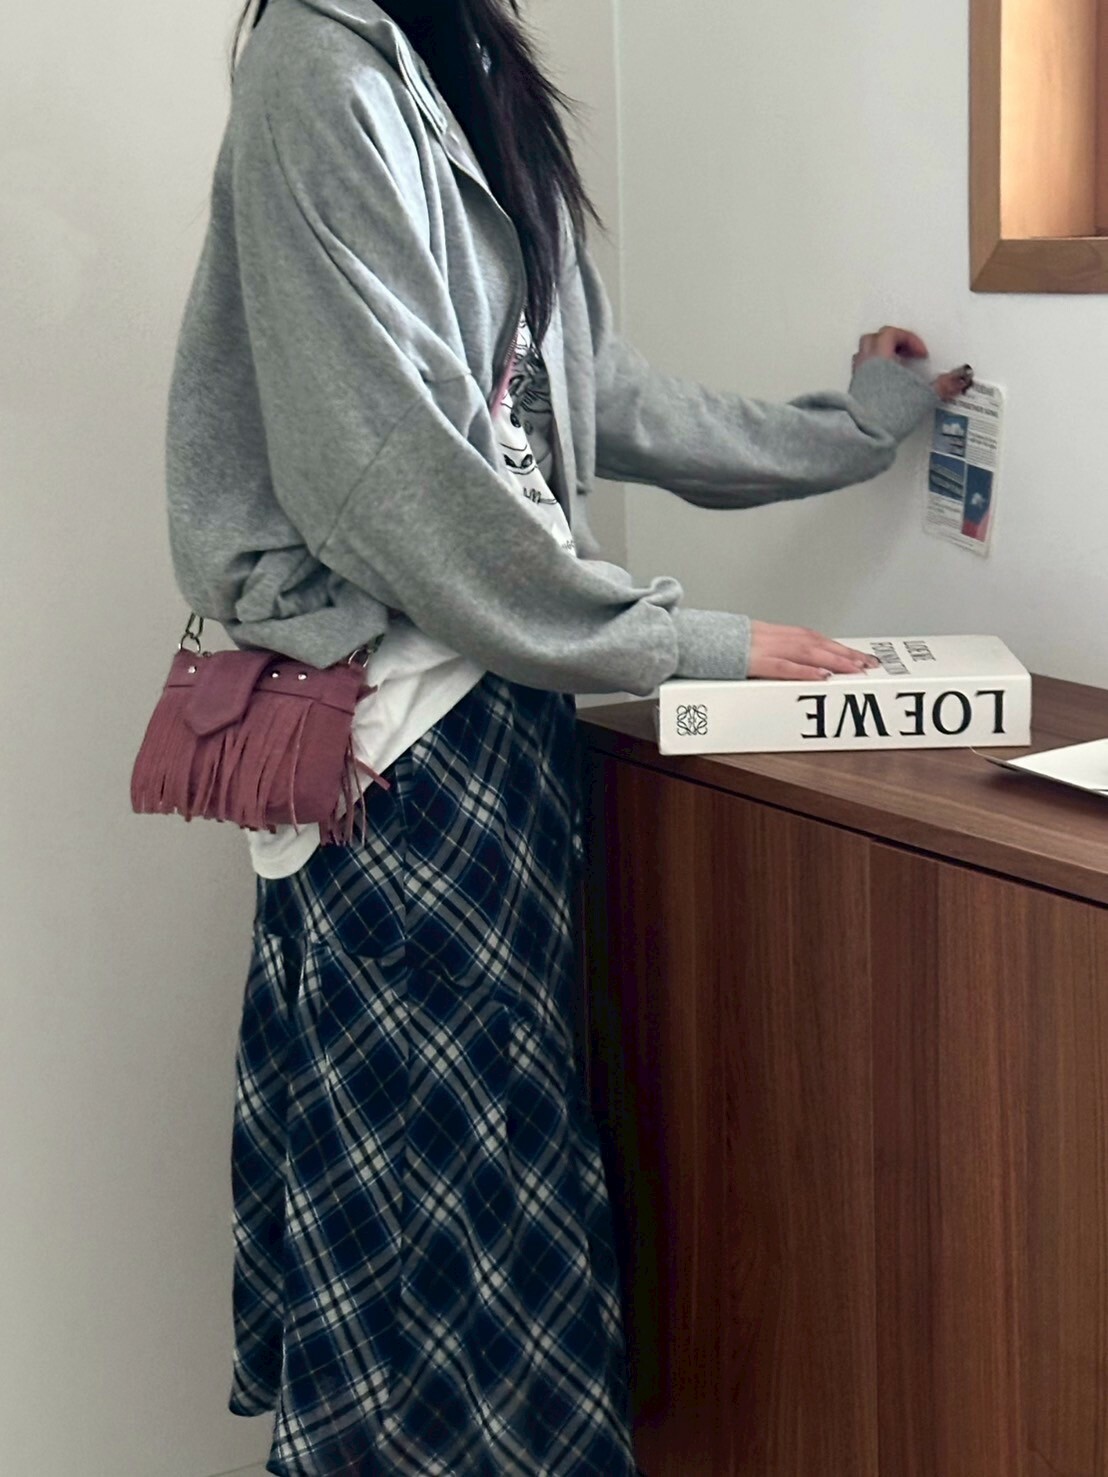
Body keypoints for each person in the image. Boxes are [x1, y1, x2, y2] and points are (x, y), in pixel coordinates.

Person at [164, 1, 972, 1471]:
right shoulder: (316, 67)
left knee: (491, 1253)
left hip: (503, 734)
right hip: (402, 760)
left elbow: (597, 396)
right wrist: (683, 642)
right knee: (424, 1291)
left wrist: (856, 427)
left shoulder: (466, 65)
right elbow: (377, 475)